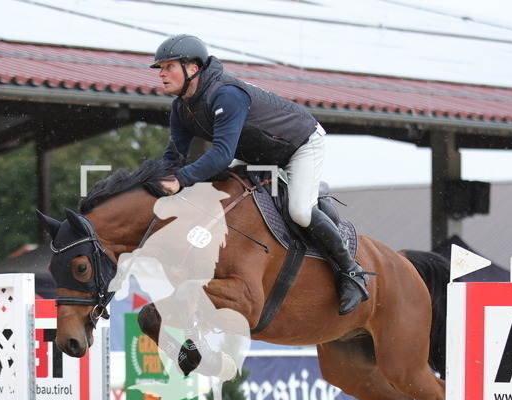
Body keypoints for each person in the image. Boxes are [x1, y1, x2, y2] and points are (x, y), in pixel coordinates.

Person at [151, 34, 369, 315]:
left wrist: (180, 180)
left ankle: (351, 272)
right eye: (160, 68)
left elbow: (220, 155)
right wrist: (154, 182)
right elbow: (175, 155)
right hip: (258, 153)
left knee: (301, 211)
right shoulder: (181, 108)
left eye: (168, 67)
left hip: (299, 143)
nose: (162, 74)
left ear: (192, 68)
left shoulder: (225, 94)